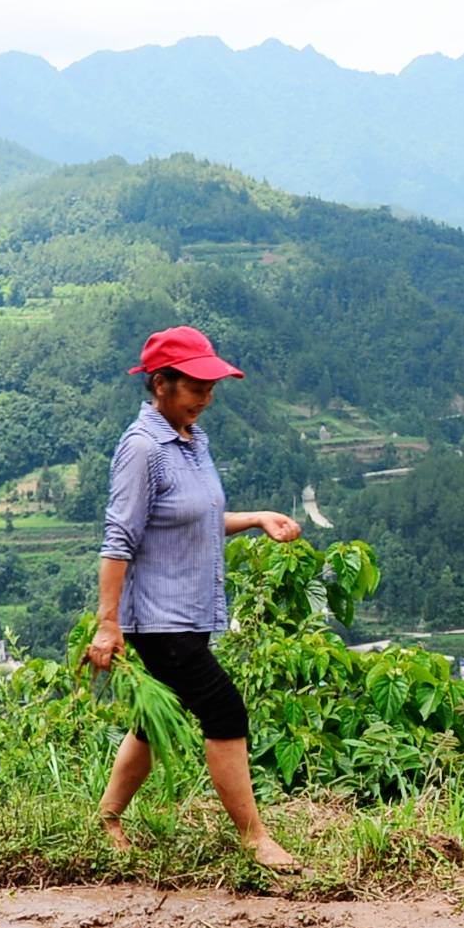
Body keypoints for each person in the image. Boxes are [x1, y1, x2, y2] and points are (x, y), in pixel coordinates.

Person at [88, 323, 307, 871]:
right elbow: (119, 540)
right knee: (223, 707)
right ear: (160, 384)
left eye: (211, 390)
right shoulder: (142, 449)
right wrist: (107, 624)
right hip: (157, 618)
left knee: (155, 718)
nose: (206, 401)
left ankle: (108, 818)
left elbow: (198, 518)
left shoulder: (191, 440)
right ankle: (254, 838)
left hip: (190, 612)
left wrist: (255, 519)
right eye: (195, 389)